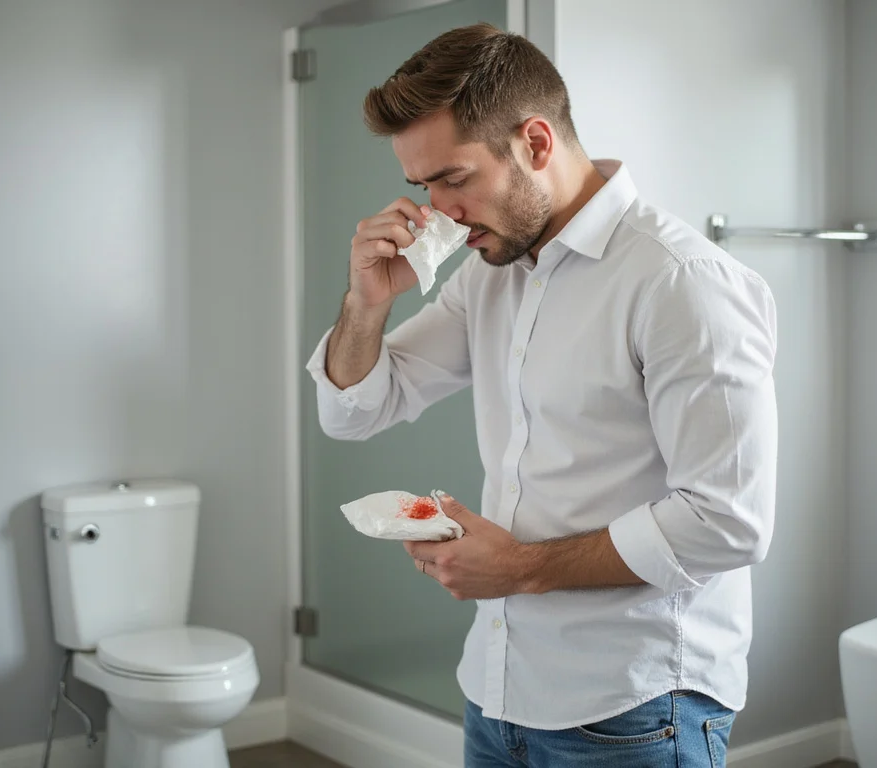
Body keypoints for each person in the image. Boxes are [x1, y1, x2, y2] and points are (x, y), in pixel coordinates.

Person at [305, 22, 778, 768]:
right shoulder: (490, 276)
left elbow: (729, 523)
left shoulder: (679, 283)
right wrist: (365, 304)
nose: (438, 212)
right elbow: (356, 410)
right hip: (497, 694)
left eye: (454, 179)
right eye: (421, 186)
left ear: (534, 141)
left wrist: (520, 568)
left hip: (636, 709)